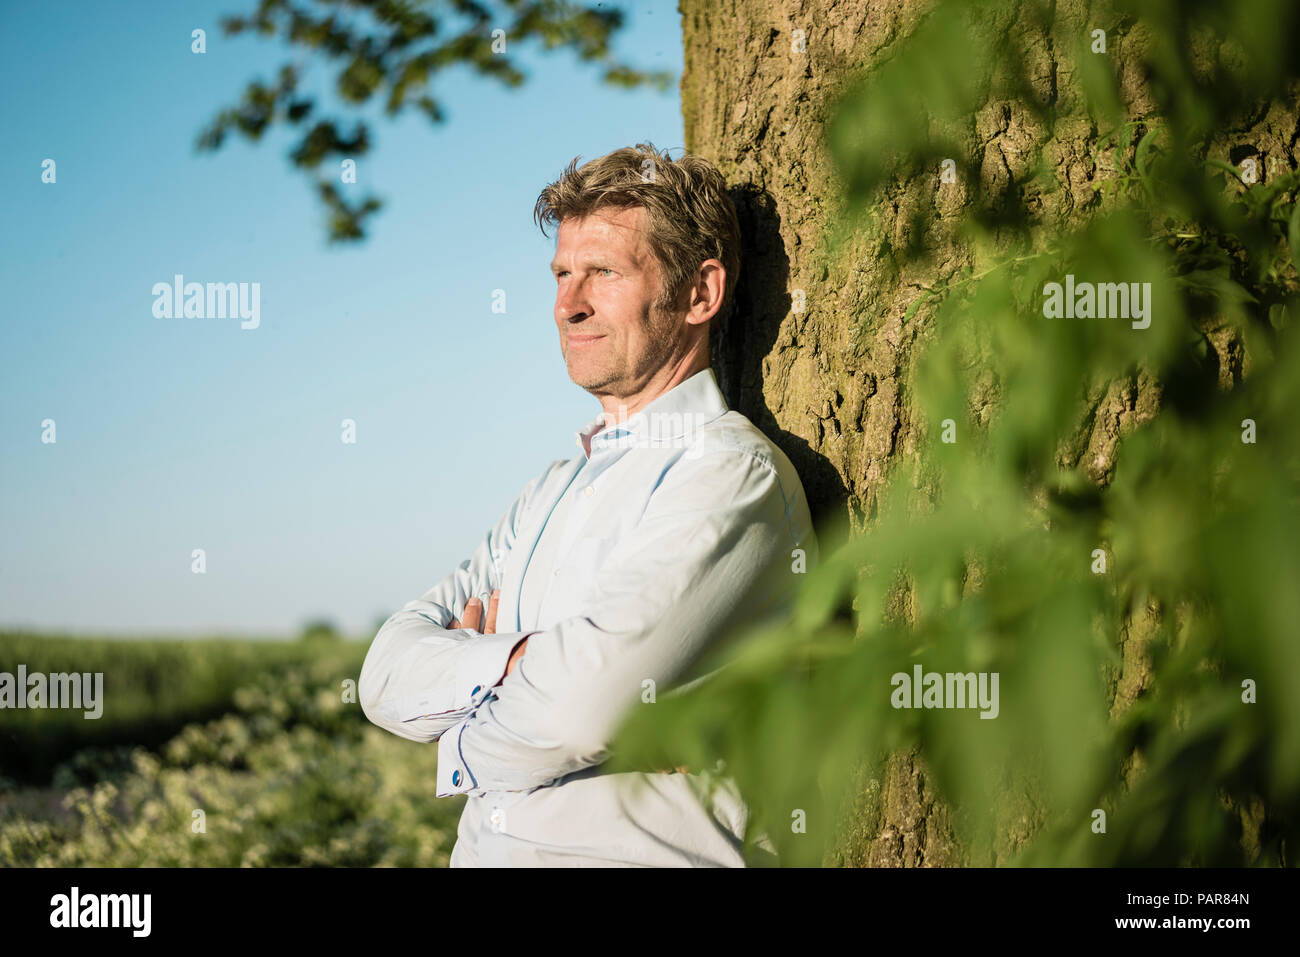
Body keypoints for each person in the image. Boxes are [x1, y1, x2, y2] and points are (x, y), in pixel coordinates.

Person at [359, 141, 818, 866]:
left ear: (701, 293)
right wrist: (518, 662)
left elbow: (579, 710)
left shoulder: (730, 477)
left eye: (602, 273)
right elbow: (382, 674)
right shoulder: (549, 490)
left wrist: (464, 697)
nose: (567, 305)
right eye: (563, 274)